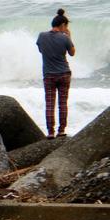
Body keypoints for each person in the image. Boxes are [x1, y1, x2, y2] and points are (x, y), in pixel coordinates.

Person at [36, 8, 76, 138]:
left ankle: (50, 132)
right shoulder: (65, 38)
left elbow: (41, 51)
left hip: (49, 75)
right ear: (63, 25)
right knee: (62, 104)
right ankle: (61, 130)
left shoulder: (42, 36)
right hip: (64, 74)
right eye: (66, 26)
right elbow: (72, 53)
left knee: (49, 104)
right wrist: (69, 37)